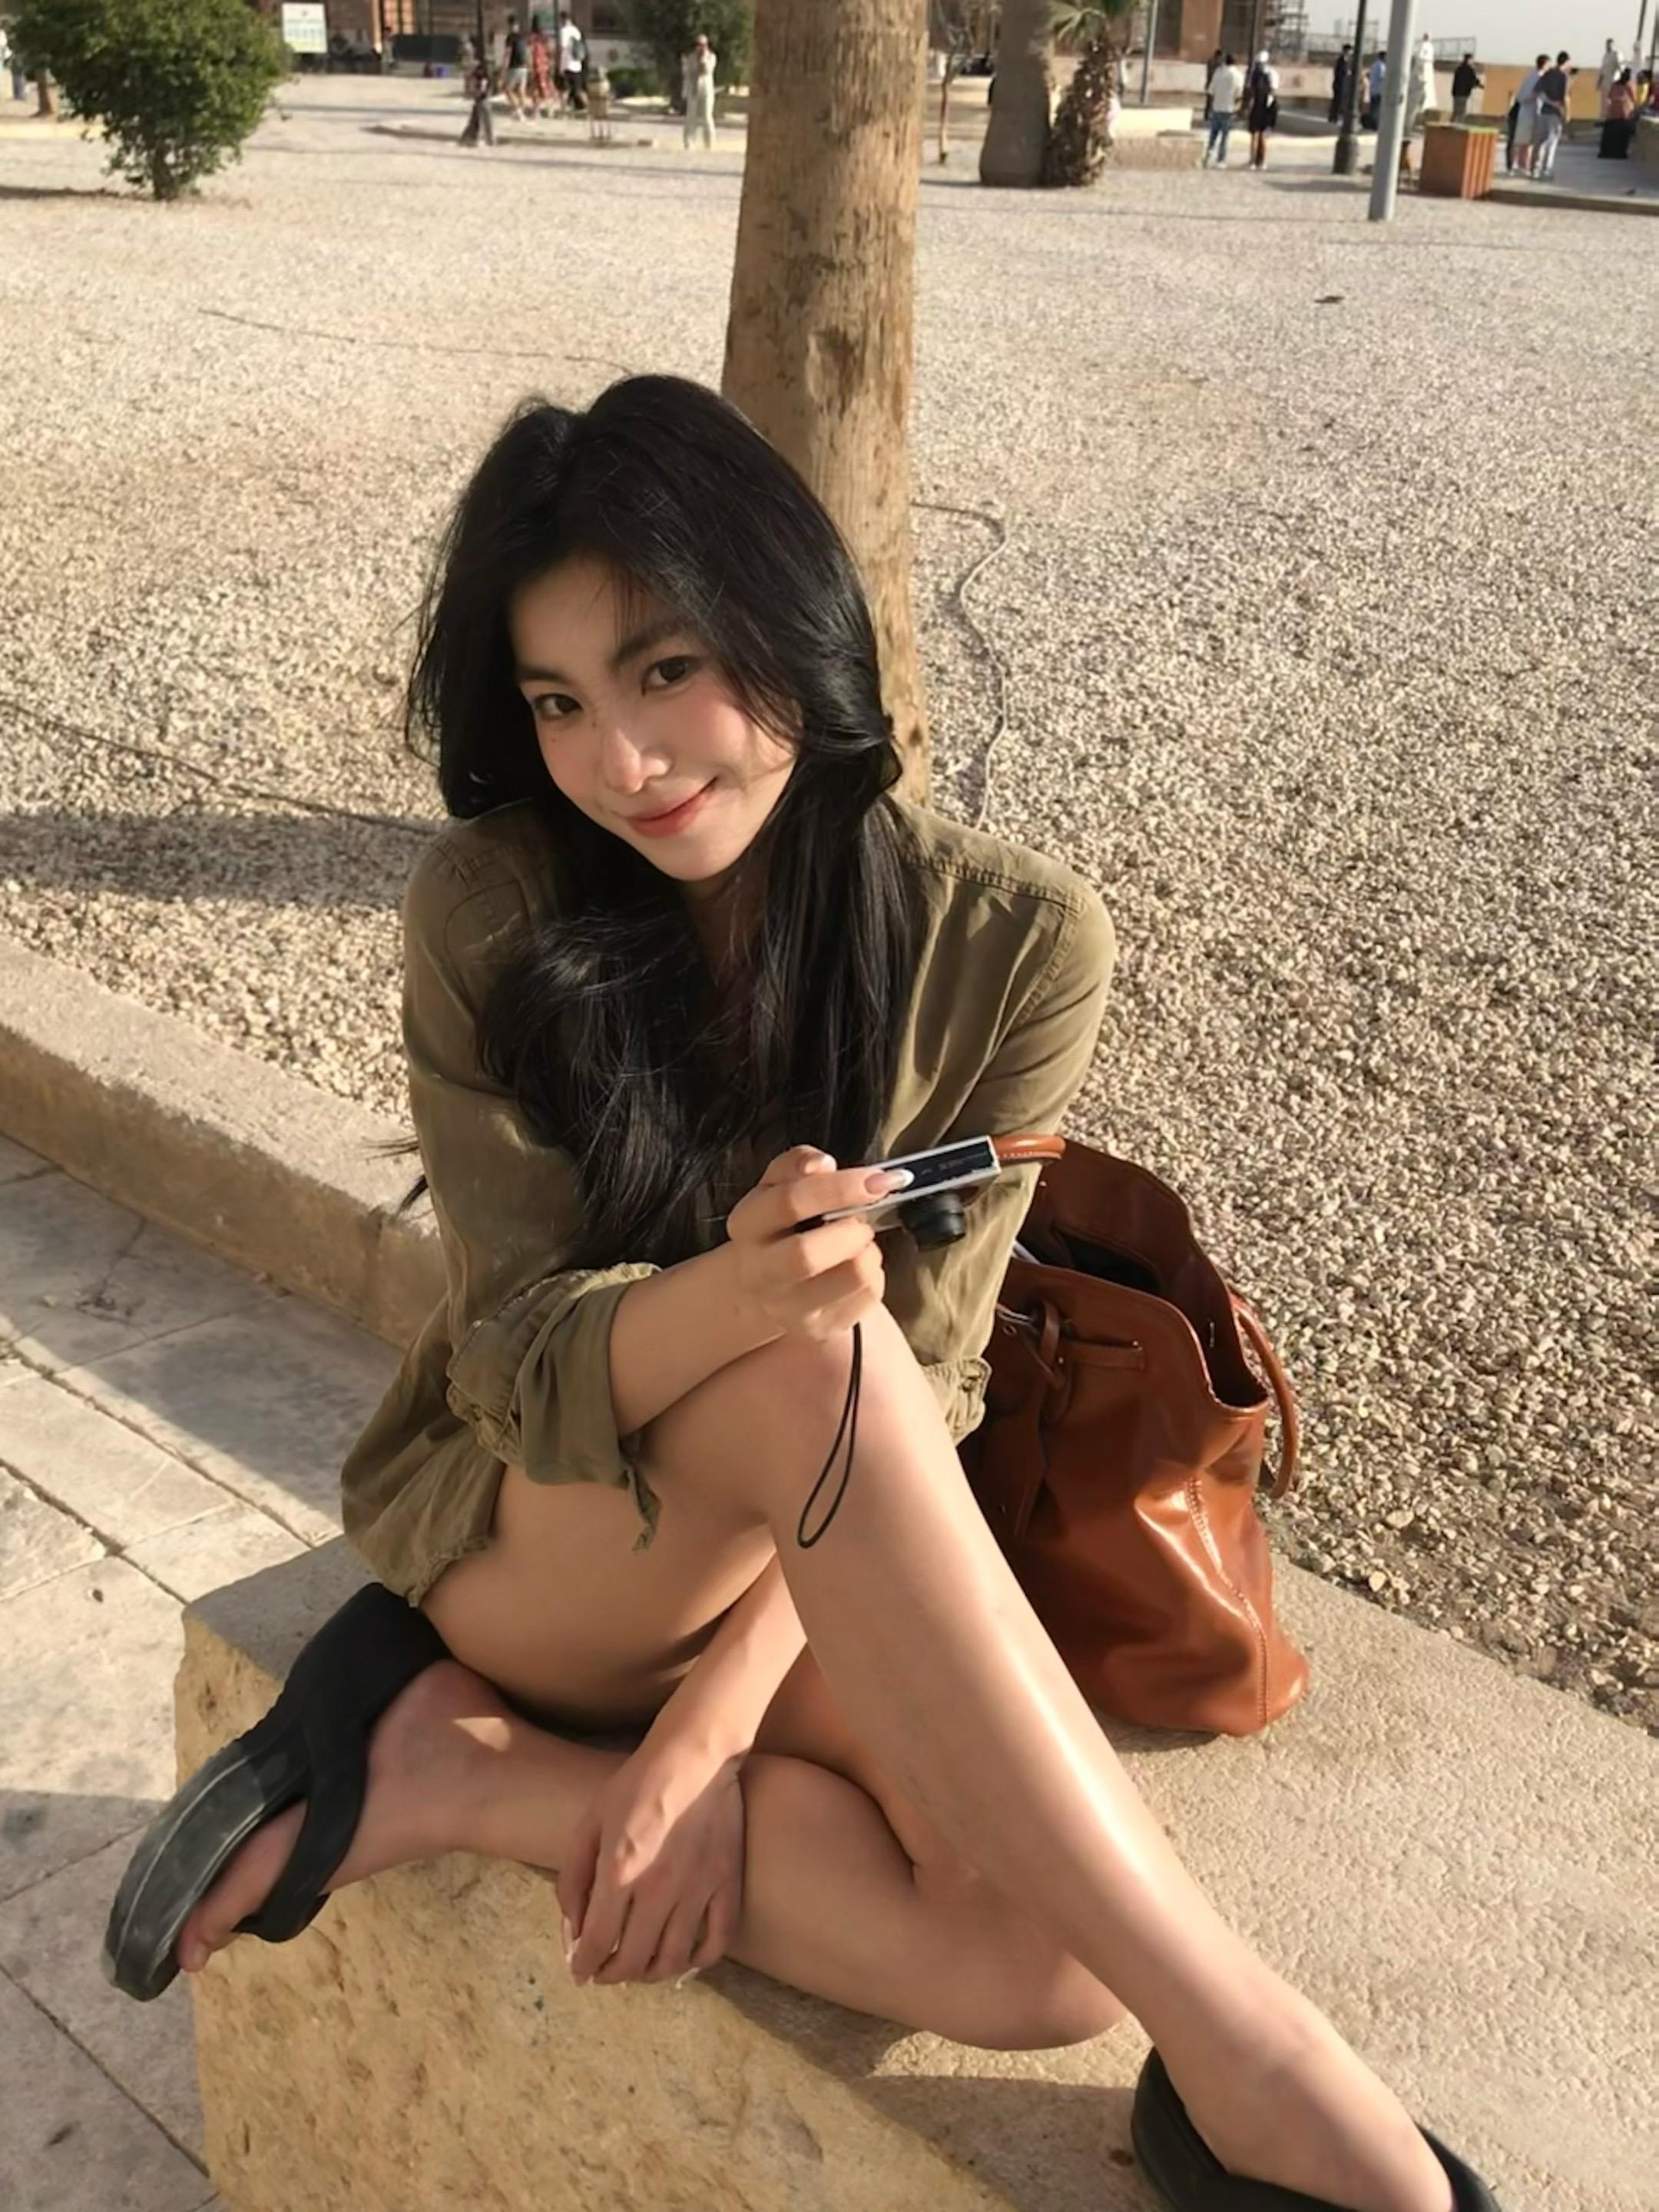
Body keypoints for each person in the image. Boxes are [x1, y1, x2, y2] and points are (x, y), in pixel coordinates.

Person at [103, 373, 1507, 2212]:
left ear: (789, 622)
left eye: (665, 668)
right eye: (558, 702)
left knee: (1041, 1965)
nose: (623, 758)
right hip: (541, 1539)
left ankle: (457, 1775)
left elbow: (932, 1384)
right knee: (808, 1351)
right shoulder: (493, 908)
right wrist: (739, 1295)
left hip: (794, 1557)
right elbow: (513, 1356)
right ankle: (1265, 2058)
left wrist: (700, 1739)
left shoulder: (1014, 945)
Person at [1530, 49, 1572, 180]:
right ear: (1566, 62)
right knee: (1551, 143)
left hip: (1543, 111)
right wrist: (1567, 113)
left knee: (1540, 142)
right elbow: (1565, 97)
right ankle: (1546, 170)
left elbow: (1536, 91)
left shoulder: (1548, 74)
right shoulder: (1563, 77)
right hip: (1555, 113)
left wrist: (1547, 101)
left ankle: (1535, 169)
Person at [1204, 50, 1242, 165]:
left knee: (1213, 135)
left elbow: (1211, 91)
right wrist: (1237, 106)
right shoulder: (1237, 75)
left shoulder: (1218, 73)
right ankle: (1221, 160)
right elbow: (1238, 93)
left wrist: (1211, 106)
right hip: (1229, 109)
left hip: (1217, 107)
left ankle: (1209, 154)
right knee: (1225, 137)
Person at [1511, 51, 1547, 173]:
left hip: (1531, 112)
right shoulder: (1537, 78)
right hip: (1528, 111)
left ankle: (1522, 164)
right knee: (1524, 141)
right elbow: (1525, 96)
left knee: (1527, 141)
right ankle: (1520, 164)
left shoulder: (1531, 76)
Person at [681, 31, 717, 149]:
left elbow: (707, 70)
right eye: (698, 45)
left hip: (706, 90)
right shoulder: (691, 58)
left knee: (707, 116)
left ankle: (709, 144)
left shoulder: (711, 57)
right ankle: (689, 142)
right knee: (691, 117)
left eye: (703, 45)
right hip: (693, 89)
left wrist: (703, 59)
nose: (700, 47)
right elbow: (687, 73)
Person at [1246, 48, 1278, 170]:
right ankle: (1262, 161)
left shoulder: (1254, 74)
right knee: (1263, 136)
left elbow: (1250, 92)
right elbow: (1274, 91)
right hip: (1266, 106)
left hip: (1257, 106)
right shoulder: (1272, 73)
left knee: (1255, 135)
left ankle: (1252, 161)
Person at [459, 45, 495, 146]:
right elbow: (470, 80)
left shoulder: (479, 68)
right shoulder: (473, 67)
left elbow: (483, 81)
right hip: (480, 96)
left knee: (483, 116)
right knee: (478, 116)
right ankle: (471, 137)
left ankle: (480, 138)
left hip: (482, 96)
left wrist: (479, 92)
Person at [1599, 65, 1637, 154]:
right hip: (1625, 113)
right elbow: (1634, 99)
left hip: (1613, 113)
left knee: (1611, 133)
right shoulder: (1629, 85)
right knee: (1623, 134)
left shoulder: (1614, 85)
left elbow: (1609, 96)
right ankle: (1620, 152)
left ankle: (1608, 151)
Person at [558, 8, 586, 111]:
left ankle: (563, 110)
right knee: (577, 89)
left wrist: (559, 64)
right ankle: (586, 108)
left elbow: (562, 48)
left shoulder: (564, 31)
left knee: (564, 89)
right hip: (577, 64)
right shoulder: (576, 30)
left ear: (563, 19)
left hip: (567, 64)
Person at [502, 13, 529, 119]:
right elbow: (527, 52)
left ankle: (518, 111)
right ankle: (521, 111)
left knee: (507, 90)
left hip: (514, 67)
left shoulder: (510, 37)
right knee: (521, 90)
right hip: (524, 67)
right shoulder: (523, 37)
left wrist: (503, 68)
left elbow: (508, 53)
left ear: (509, 25)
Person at [528, 19, 557, 118]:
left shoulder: (531, 39)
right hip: (545, 66)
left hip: (536, 66)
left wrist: (529, 66)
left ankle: (537, 111)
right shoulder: (545, 39)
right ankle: (550, 108)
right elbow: (551, 52)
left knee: (536, 88)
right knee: (546, 87)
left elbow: (530, 53)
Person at [1449, 53, 1482, 121]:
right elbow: (1474, 81)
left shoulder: (1459, 69)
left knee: (1456, 112)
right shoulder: (1470, 70)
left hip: (1456, 93)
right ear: (1469, 60)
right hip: (1463, 94)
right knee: (1461, 113)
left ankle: (1452, 124)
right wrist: (1479, 84)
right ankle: (1458, 125)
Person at [1597, 37, 1623, 118]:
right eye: (1607, 44)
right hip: (1605, 82)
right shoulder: (1605, 56)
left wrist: (1622, 80)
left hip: (1613, 81)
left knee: (1612, 100)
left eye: (1610, 44)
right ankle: (1604, 116)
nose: (1608, 46)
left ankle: (1611, 115)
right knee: (1604, 101)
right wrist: (1599, 82)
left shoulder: (1616, 54)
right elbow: (1602, 70)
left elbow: (1621, 67)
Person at [1329, 41, 1352, 124]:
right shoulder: (1341, 60)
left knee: (1338, 101)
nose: (1349, 53)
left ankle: (1333, 117)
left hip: (1342, 83)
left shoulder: (1346, 60)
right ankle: (1333, 117)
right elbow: (1338, 72)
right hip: (1339, 83)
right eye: (1348, 51)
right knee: (1337, 101)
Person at [1364, 49, 1386, 128]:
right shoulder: (1381, 66)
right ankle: (1374, 124)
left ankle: (1371, 123)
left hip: (1373, 89)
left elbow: (1369, 75)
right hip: (1379, 90)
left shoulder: (1374, 65)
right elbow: (1382, 77)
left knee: (1372, 108)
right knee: (1377, 109)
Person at [1203, 44, 1223, 120]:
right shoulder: (1219, 63)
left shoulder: (1210, 61)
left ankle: (1207, 115)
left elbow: (1209, 73)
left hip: (1210, 82)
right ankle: (1213, 115)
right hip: (1216, 84)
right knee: (1215, 100)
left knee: (1209, 100)